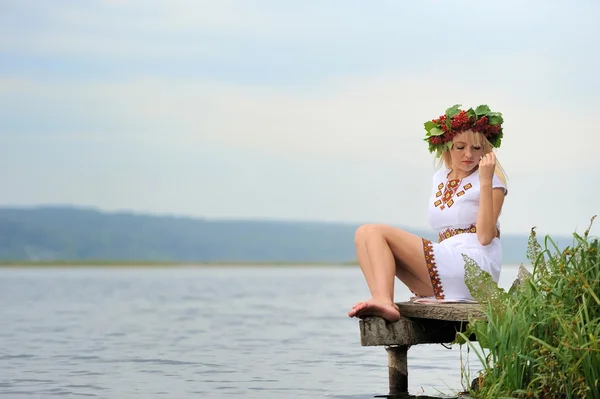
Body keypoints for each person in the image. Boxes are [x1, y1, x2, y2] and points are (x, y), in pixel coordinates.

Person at [348, 104, 508, 322]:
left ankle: (384, 301)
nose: (469, 154)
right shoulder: (440, 178)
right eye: (460, 147)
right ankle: (381, 299)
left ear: (486, 151)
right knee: (363, 234)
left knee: (375, 232)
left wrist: (485, 179)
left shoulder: (493, 182)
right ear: (448, 148)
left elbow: (485, 236)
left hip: (474, 268)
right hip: (448, 265)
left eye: (477, 148)